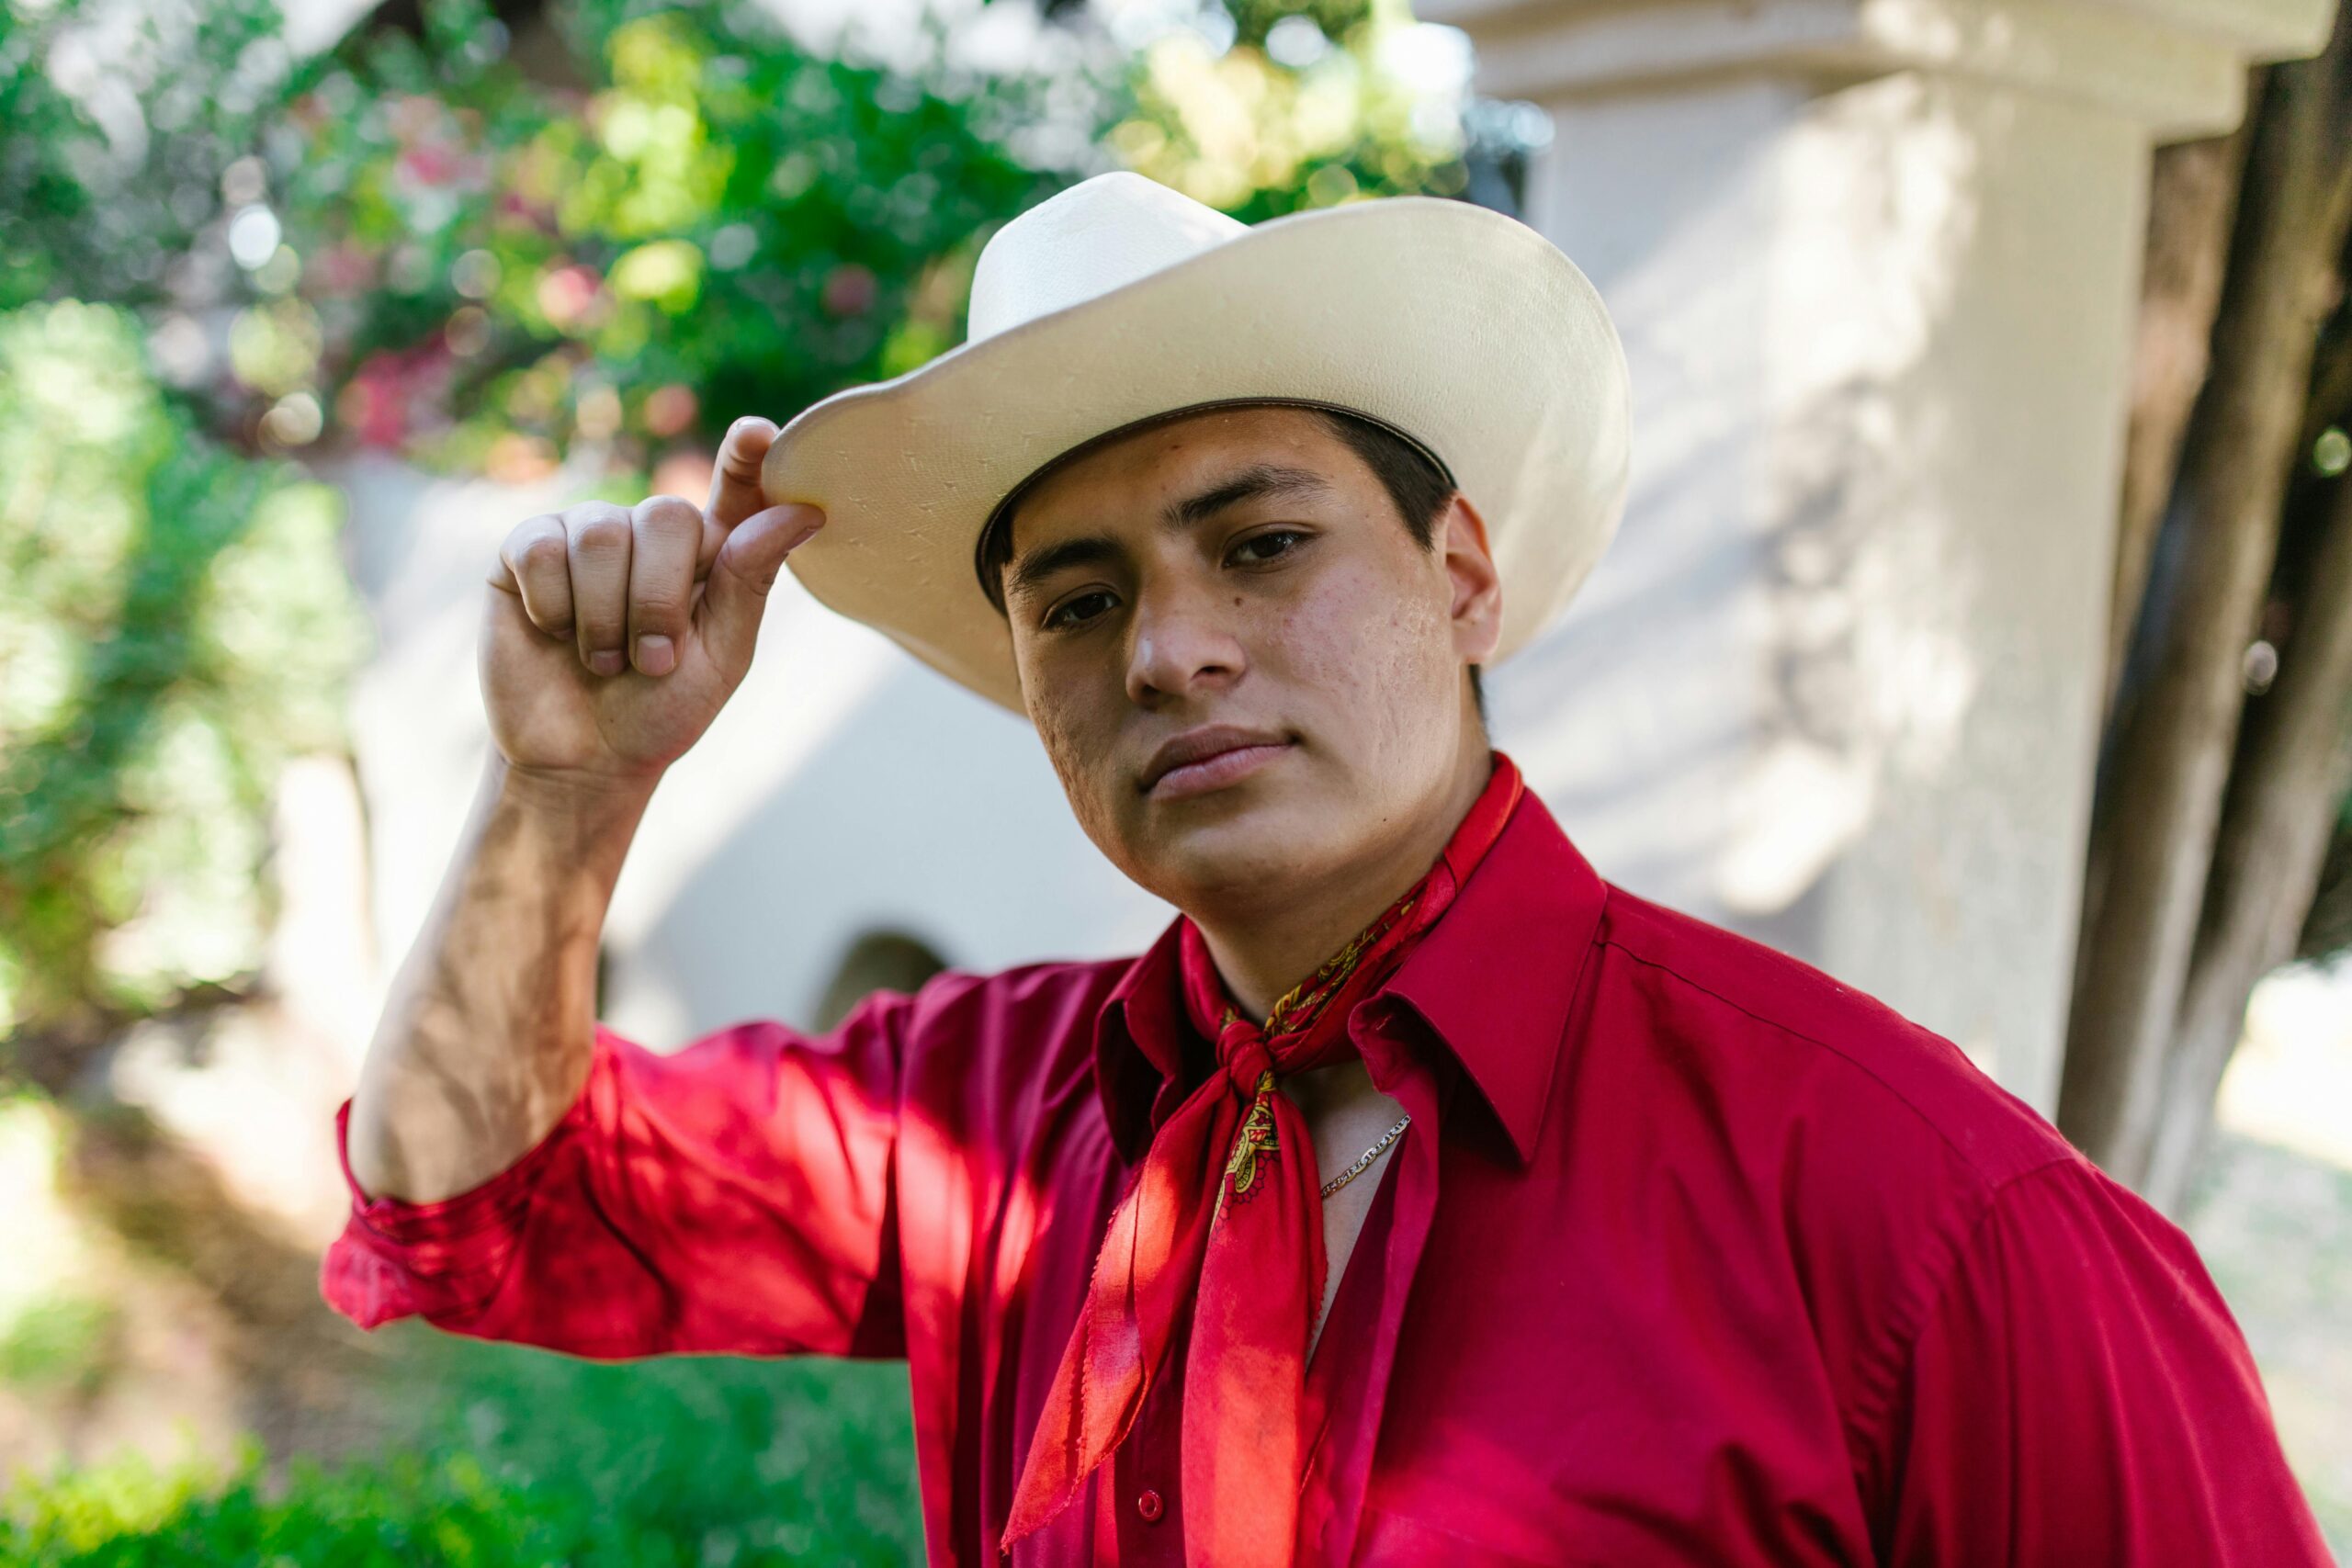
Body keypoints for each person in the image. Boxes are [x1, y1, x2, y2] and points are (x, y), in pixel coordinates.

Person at [322, 173, 2329, 1566]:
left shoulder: (1925, 1220)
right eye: (1079, 596)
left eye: (1260, 542)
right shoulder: (997, 1120)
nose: (1167, 648)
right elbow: (478, 1194)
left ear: (1457, 569)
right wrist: (562, 791)